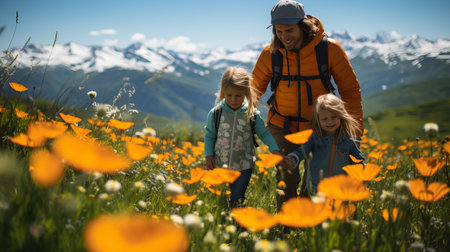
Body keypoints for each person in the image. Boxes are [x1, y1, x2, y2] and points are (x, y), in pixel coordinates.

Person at [251, 0, 363, 210]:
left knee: (316, 178)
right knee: (286, 177)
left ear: (303, 25)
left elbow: (350, 91)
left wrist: (355, 133)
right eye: (279, 31)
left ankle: (308, 225)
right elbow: (254, 89)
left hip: (320, 127)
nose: (284, 37)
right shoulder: (270, 53)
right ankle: (287, 227)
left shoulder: (329, 50)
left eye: (289, 30)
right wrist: (243, 124)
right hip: (282, 124)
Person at [204, 66, 280, 208]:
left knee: (237, 199)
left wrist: (274, 149)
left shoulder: (252, 114)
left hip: (244, 164)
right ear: (222, 93)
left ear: (246, 93)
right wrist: (209, 156)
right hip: (220, 164)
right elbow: (209, 135)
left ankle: (238, 224)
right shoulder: (215, 113)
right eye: (229, 95)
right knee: (220, 202)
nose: (233, 99)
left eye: (238, 95)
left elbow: (263, 133)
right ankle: (225, 224)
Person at [280, 94, 365, 194]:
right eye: (325, 119)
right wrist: (292, 159)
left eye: (334, 117)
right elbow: (301, 152)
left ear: (341, 116)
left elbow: (359, 159)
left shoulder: (347, 140)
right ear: (318, 120)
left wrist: (362, 169)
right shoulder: (314, 138)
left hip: (341, 188)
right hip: (316, 188)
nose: (330, 122)